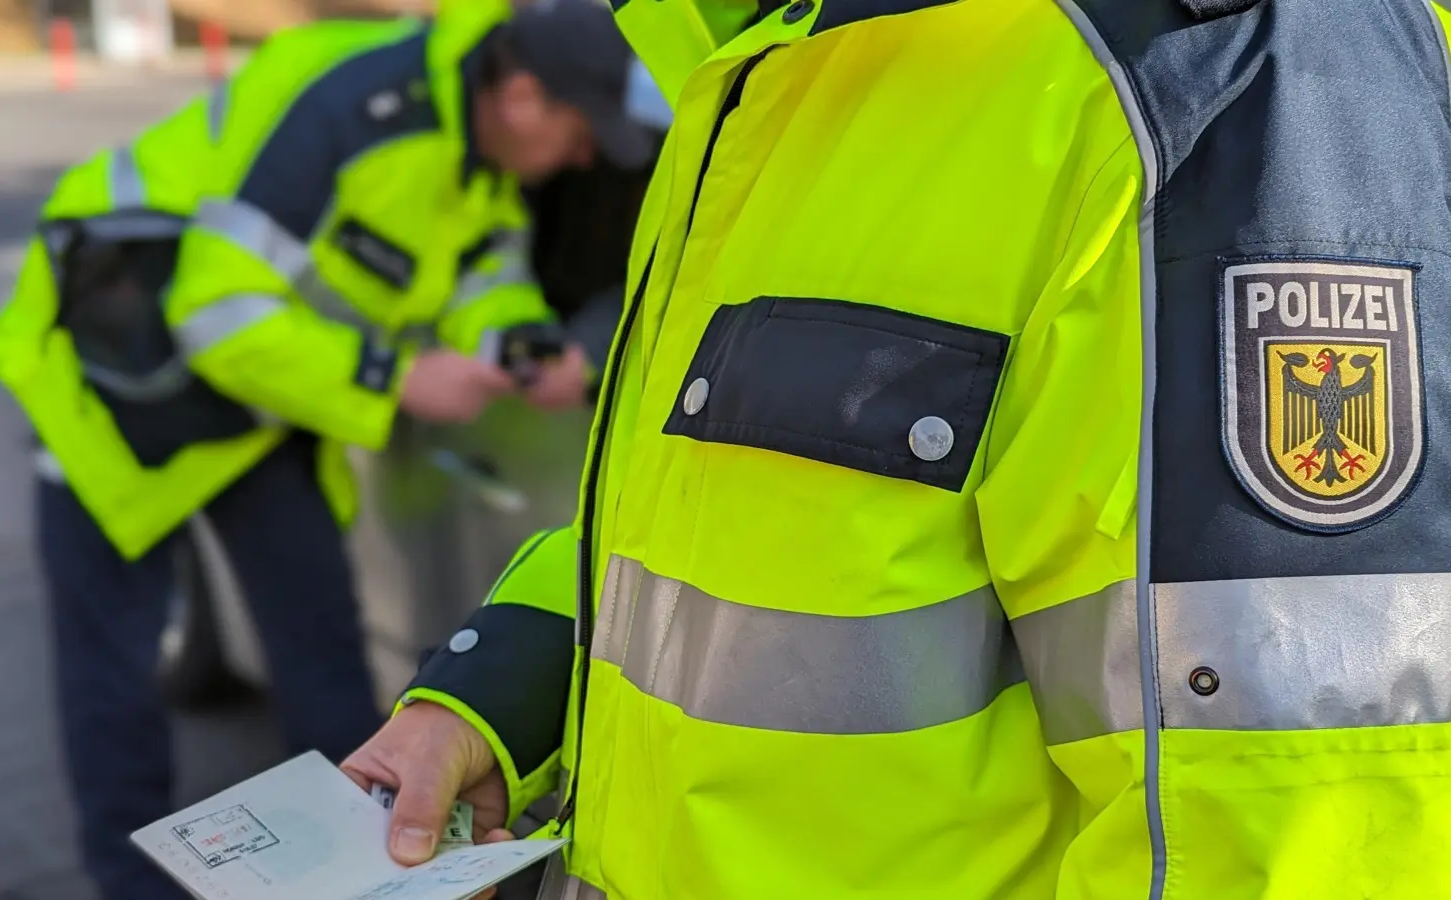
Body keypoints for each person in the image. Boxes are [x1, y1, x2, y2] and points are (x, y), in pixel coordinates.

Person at [342, 0, 1451, 897]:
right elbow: (702, 532)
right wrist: (488, 698)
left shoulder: (1203, 69)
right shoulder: (765, 60)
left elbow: (1294, 811)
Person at [0, 0, 658, 895]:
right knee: (115, 681)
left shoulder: (477, 155)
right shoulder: (355, 105)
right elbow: (213, 308)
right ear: (526, 94)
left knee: (324, 659)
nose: (583, 159)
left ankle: (366, 874)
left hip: (260, 410)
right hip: (113, 391)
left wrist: (525, 348)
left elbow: (481, 279)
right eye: (582, 133)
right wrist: (396, 380)